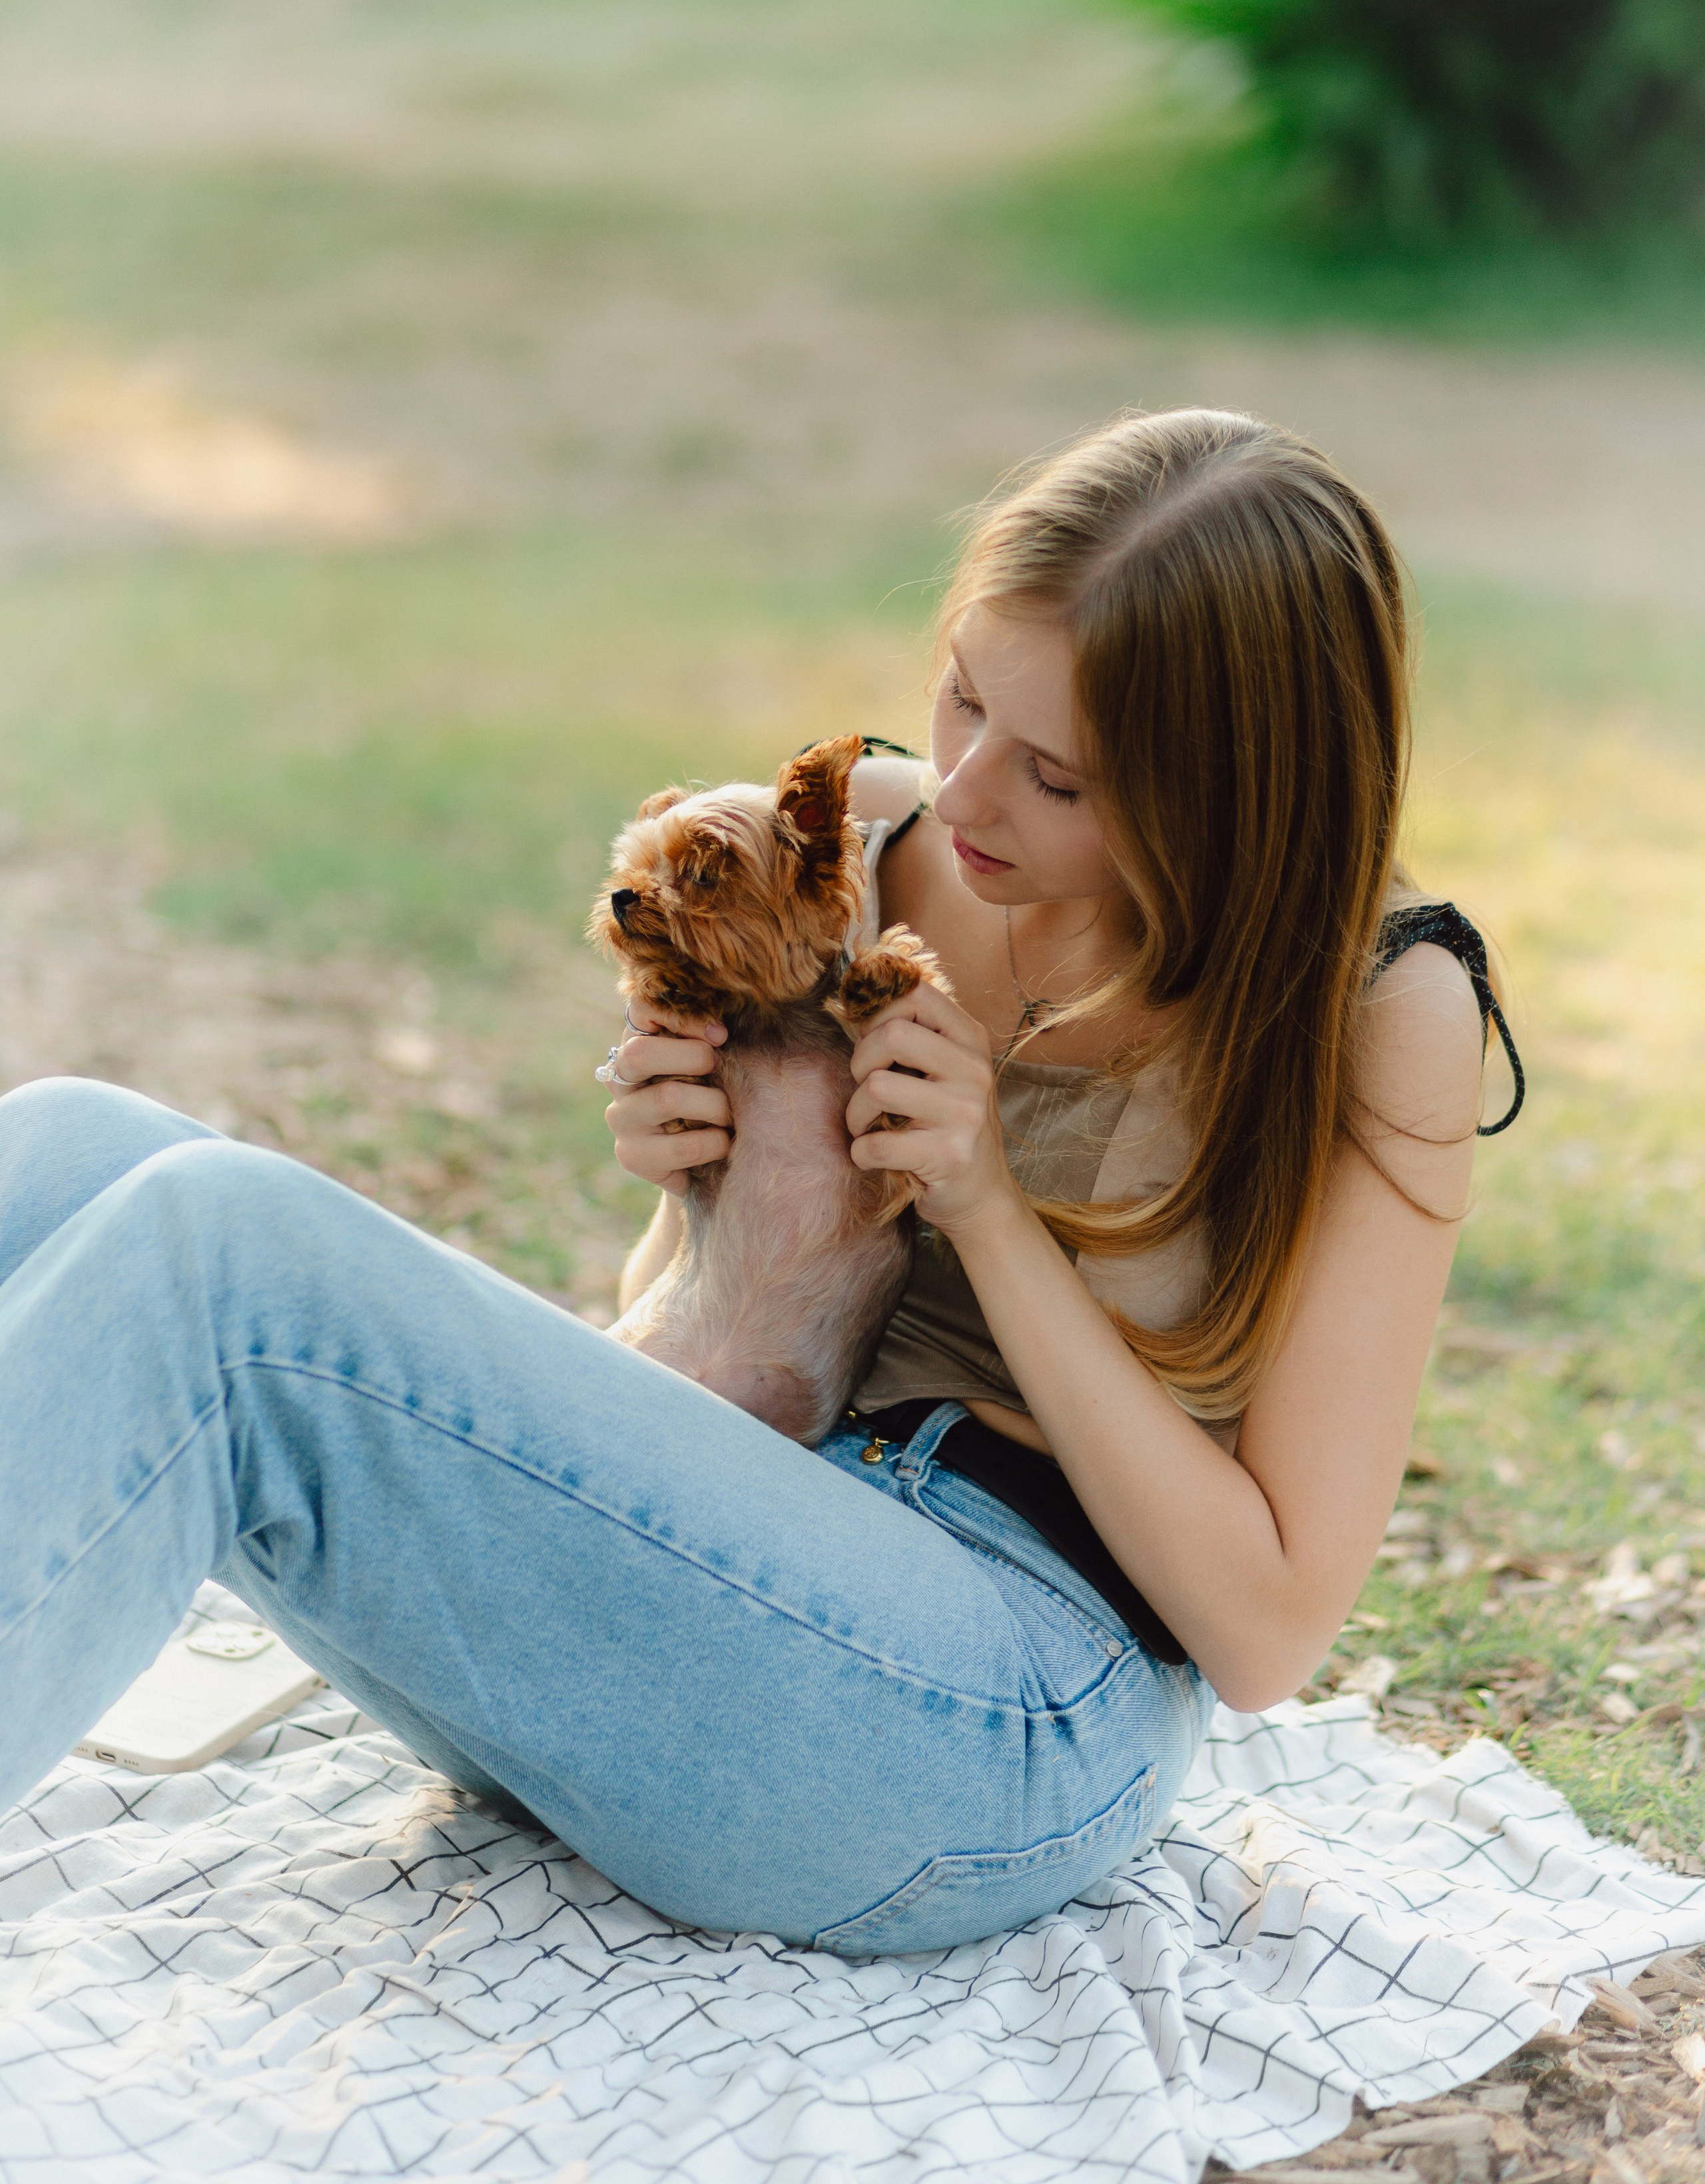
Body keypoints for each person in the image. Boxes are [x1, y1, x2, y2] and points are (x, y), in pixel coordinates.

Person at [0, 409, 1519, 1957]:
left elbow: (1263, 1630)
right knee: (70, 1146)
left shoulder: (1379, 1010)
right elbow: (718, 1332)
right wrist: (684, 1181)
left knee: (219, 1256)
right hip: (739, 1590)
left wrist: (988, 1210)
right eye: (964, 695)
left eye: (1055, 777)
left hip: (998, 1704)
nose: (970, 793)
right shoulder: (859, 842)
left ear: (1229, 792)